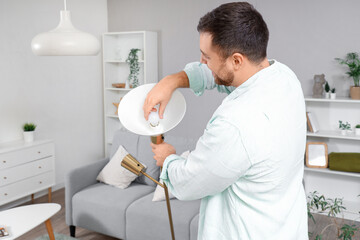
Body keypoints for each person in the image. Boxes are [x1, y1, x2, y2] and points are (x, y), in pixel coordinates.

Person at [143, 2, 308, 239]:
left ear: (237, 61)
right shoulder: (284, 78)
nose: (202, 61)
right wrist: (171, 81)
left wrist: (168, 158)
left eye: (207, 56)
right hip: (287, 227)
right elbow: (218, 77)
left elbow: (188, 182)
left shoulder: (235, 124)